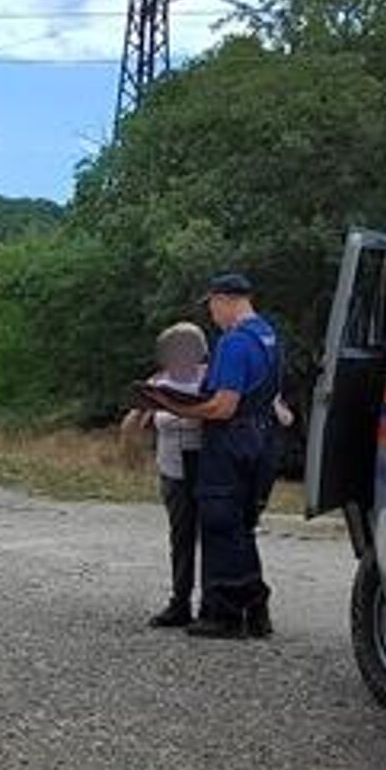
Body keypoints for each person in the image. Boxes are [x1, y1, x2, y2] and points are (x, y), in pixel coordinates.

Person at [182, 272, 283, 640]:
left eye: (211, 306)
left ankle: (225, 613)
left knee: (221, 524)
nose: (211, 314)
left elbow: (224, 405)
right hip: (261, 439)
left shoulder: (234, 343)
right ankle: (256, 611)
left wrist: (182, 410)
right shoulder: (269, 336)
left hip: (231, 442)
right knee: (242, 526)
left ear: (224, 300)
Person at [121, 320, 208, 628]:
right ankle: (180, 601)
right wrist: (132, 443)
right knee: (181, 537)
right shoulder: (158, 381)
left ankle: (214, 604)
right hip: (172, 467)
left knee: (213, 536)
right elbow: (133, 421)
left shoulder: (210, 378)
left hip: (208, 466)